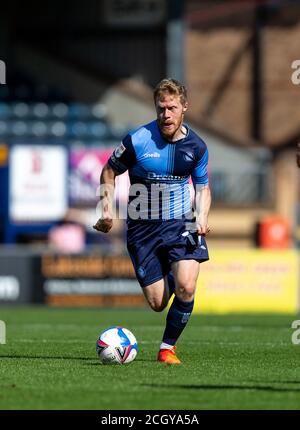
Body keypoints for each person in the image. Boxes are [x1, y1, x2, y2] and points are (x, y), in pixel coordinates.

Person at [93, 78, 211, 364]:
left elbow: (203, 186)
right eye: (161, 109)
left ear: (185, 107)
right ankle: (175, 272)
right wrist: (106, 209)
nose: (166, 115)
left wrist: (203, 216)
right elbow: (109, 172)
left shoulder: (196, 147)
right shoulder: (137, 140)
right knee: (158, 303)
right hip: (142, 228)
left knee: (187, 287)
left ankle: (167, 348)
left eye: (172, 108)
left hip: (181, 222)